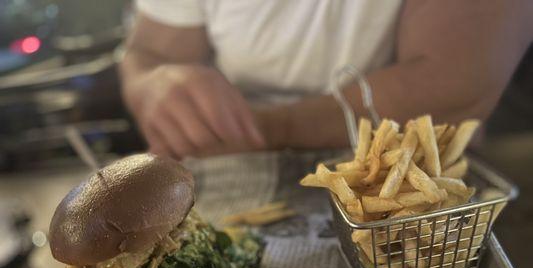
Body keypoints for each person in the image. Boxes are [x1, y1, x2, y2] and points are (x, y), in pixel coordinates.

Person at [120, 0, 533, 159]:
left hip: (410, 184)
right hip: (232, 174)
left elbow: (451, 84)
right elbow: (150, 52)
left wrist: (264, 128)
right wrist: (153, 84)